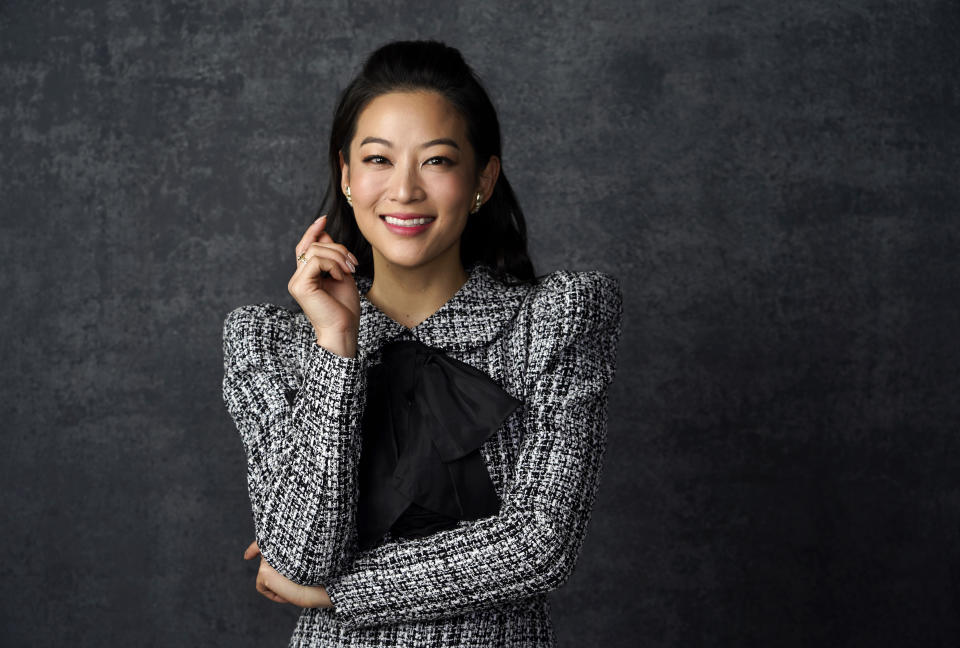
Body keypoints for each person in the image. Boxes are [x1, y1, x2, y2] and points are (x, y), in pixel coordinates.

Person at [222, 39, 623, 648]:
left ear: (483, 177)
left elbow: (540, 547)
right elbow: (300, 556)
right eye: (378, 160)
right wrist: (337, 347)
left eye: (436, 160)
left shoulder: (556, 319)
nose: (404, 190)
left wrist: (339, 594)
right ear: (346, 176)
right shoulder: (268, 342)